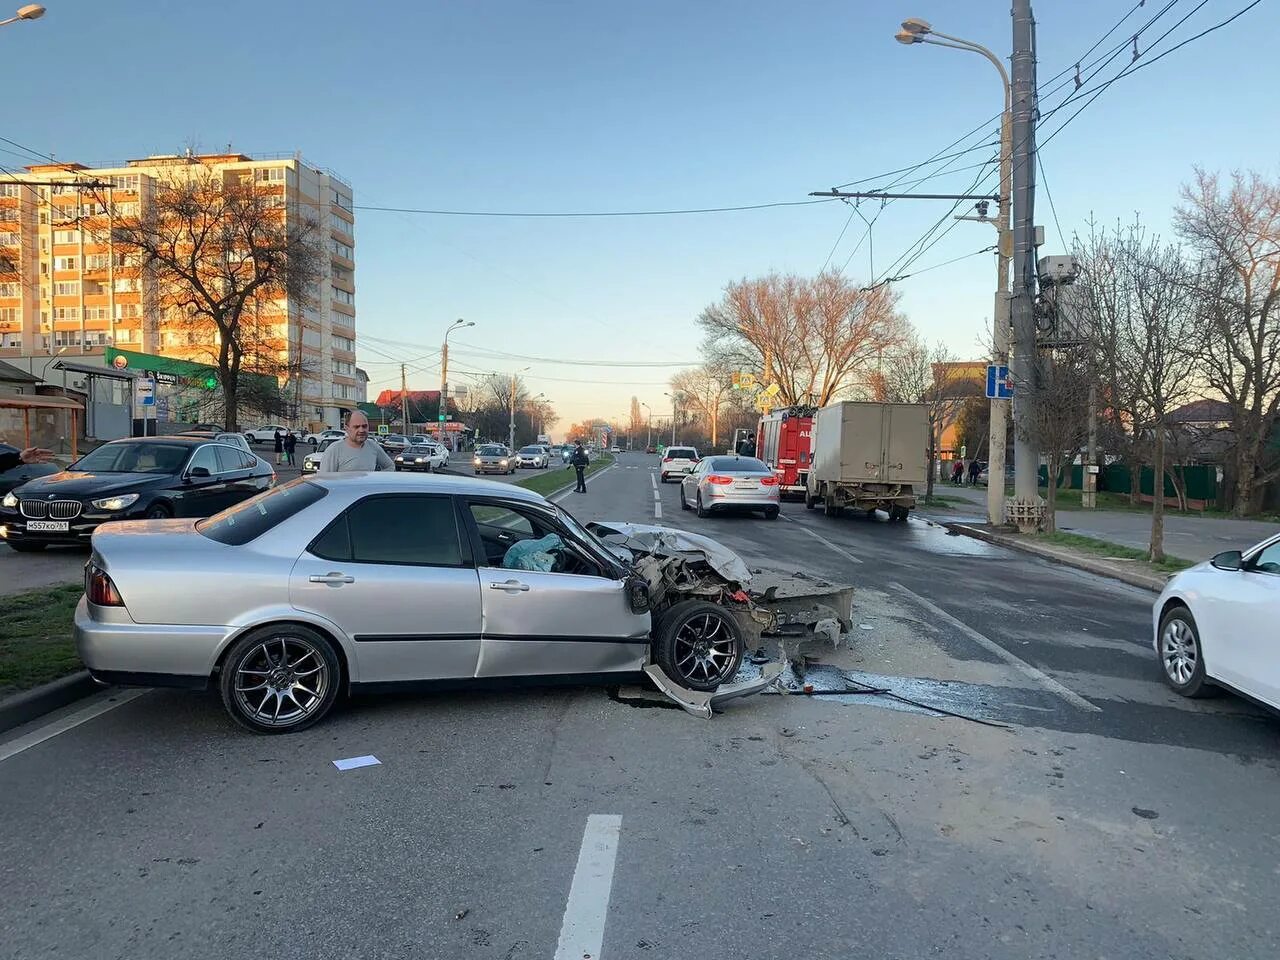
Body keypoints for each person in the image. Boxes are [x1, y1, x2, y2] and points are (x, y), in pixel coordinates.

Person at [318, 411, 395, 473]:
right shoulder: (334, 450)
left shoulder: (373, 446)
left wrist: (375, 480)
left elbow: (390, 466)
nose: (361, 430)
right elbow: (325, 480)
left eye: (364, 426)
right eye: (356, 427)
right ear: (347, 428)